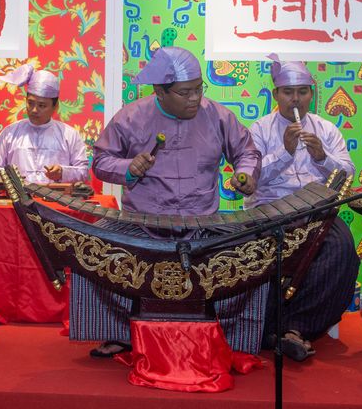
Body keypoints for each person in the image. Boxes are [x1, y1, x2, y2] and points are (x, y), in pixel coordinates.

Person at [72, 46, 262, 357]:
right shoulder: (131, 117)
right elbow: (101, 161)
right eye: (185, 92)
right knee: (90, 247)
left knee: (255, 251)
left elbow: (246, 153)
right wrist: (128, 167)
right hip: (141, 223)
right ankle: (118, 332)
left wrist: (246, 174)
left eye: (199, 88)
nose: (195, 98)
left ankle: (230, 334)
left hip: (202, 222)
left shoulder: (218, 116)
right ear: (160, 91)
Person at [245, 55, 358, 361]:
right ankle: (267, 327)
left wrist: (322, 157)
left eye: (302, 92)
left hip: (316, 209)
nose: (295, 99)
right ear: (276, 94)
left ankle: (295, 328)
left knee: (341, 248)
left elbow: (347, 174)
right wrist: (285, 151)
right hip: (270, 208)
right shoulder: (259, 129)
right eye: (287, 92)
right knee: (259, 251)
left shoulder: (326, 129)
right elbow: (252, 178)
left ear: (311, 94)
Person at [0, 64, 89, 184]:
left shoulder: (69, 135)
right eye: (30, 103)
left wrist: (62, 173)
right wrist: (11, 177)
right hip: (18, 196)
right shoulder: (10, 133)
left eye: (42, 105)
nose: (34, 110)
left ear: (55, 106)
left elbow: (83, 171)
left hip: (56, 196)